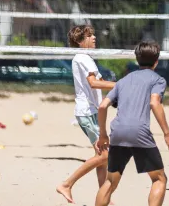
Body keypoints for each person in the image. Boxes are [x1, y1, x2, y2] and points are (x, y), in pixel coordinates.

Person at [95, 40, 169, 206]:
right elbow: (155, 103)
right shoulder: (158, 80)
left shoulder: (123, 80)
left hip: (117, 131)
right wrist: (167, 134)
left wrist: (103, 135)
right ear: (157, 60)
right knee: (159, 178)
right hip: (139, 132)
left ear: (137, 59)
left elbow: (103, 106)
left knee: (110, 181)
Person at [56, 25, 117, 204]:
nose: (94, 37)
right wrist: (120, 85)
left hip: (91, 112)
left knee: (102, 157)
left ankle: (104, 199)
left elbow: (94, 84)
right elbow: (94, 83)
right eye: (90, 35)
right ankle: (67, 184)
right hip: (87, 113)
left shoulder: (83, 58)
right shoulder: (83, 58)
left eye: (93, 34)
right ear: (79, 41)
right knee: (105, 155)